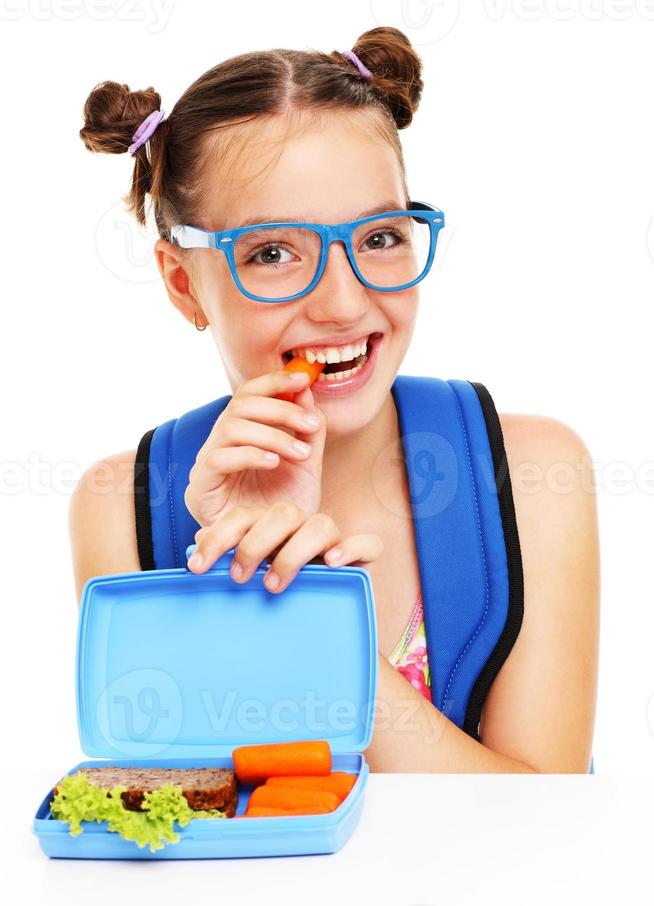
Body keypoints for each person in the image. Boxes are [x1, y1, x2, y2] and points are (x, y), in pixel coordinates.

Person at [72, 27, 600, 773]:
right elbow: (170, 816)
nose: (346, 304)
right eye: (274, 253)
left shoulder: (535, 473)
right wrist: (240, 582)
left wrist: (314, 614)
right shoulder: (118, 505)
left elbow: (541, 823)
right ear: (183, 284)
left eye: (381, 237)